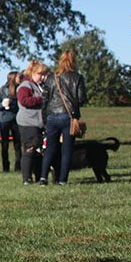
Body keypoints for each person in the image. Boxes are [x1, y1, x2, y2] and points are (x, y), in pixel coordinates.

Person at [40, 51, 87, 186]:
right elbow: (81, 99)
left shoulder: (51, 78)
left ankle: (43, 178)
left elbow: (45, 100)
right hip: (69, 117)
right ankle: (62, 180)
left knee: (50, 148)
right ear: (74, 61)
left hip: (52, 116)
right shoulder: (77, 77)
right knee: (67, 150)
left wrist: (45, 119)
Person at [16, 60, 47, 185]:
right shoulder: (25, 86)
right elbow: (24, 101)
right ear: (33, 73)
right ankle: (26, 178)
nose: (43, 77)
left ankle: (38, 176)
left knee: (38, 151)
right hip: (28, 123)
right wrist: (41, 99)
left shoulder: (39, 86)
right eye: (40, 74)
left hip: (38, 123)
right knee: (30, 149)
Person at [0, 71, 21, 173]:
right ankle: (5, 167)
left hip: (17, 119)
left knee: (17, 144)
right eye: (19, 77)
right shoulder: (2, 90)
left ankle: (18, 166)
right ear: (13, 78)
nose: (20, 78)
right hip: (5, 120)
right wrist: (3, 105)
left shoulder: (20, 89)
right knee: (4, 144)